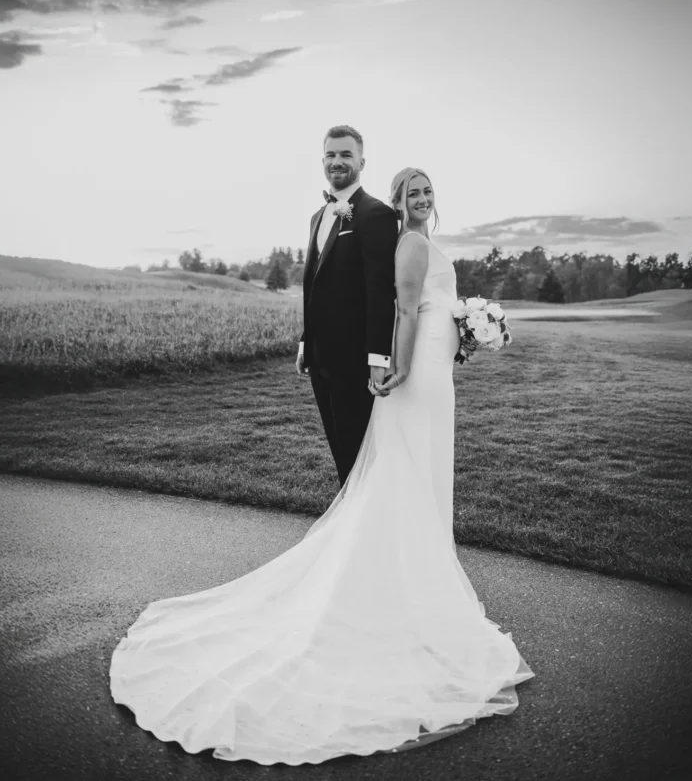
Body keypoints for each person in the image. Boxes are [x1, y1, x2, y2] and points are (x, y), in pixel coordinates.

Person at [109, 166, 534, 765]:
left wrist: (465, 329)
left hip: (438, 370)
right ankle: (399, 595)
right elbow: (406, 310)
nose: (421, 199)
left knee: (418, 474)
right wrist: (402, 367)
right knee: (405, 475)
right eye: (411, 193)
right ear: (399, 202)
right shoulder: (410, 243)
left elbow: (429, 309)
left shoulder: (427, 243)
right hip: (418, 374)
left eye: (427, 191)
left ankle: (415, 581)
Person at [296, 124, 398, 487]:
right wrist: (305, 343)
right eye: (330, 155)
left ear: (362, 162)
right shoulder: (317, 217)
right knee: (341, 453)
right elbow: (312, 286)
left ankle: (367, 535)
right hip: (321, 357)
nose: (337, 162)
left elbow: (380, 293)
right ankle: (351, 532)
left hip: (357, 362)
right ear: (322, 160)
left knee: (360, 454)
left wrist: (378, 360)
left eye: (345, 155)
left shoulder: (376, 215)